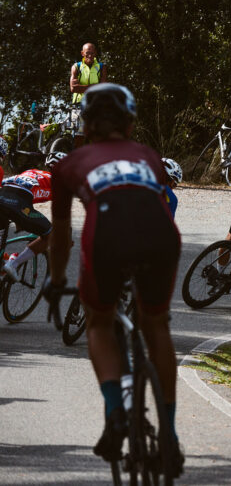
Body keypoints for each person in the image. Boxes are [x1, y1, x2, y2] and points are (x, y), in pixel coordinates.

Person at [44, 83, 183, 475]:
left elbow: (61, 235)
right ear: (130, 121)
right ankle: (169, 435)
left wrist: (56, 280)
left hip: (106, 239)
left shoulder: (68, 164)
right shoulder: (149, 156)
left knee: (100, 322)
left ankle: (115, 413)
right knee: (156, 326)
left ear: (85, 126)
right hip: (160, 236)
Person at [0, 151, 66, 281]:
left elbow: (15, 191)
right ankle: (13, 263)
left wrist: (21, 220)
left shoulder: (32, 172)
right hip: (18, 205)